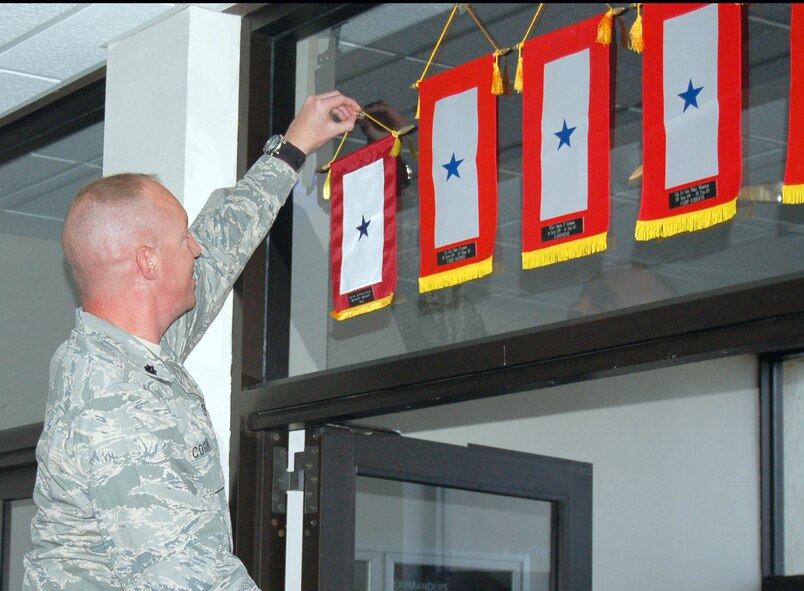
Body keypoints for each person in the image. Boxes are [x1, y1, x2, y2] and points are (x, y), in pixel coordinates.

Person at [22, 90, 361, 590]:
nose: (196, 247)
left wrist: (293, 147)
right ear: (148, 263)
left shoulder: (125, 350)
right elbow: (186, 576)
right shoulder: (116, 403)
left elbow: (221, 244)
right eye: (184, 238)